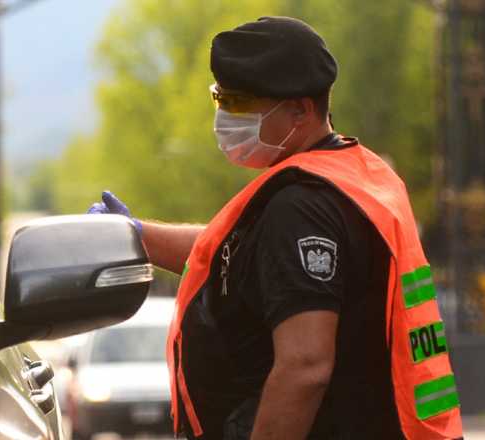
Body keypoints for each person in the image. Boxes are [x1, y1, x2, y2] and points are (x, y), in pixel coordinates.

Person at [88, 16, 463, 440]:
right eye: (220, 101)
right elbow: (245, 254)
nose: (226, 118)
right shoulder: (359, 175)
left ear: (300, 110)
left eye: (242, 104)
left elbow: (305, 367)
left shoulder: (302, 205)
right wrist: (136, 236)